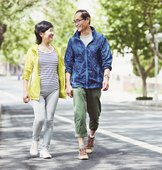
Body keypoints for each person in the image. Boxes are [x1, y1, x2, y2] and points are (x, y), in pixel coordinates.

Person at [64, 10, 112, 160]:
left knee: (95, 115)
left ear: (87, 20)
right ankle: (81, 147)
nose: (76, 23)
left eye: (78, 20)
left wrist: (106, 78)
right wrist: (68, 84)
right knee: (79, 113)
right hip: (77, 82)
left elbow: (106, 60)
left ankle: (91, 136)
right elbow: (68, 64)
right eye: (74, 21)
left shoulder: (100, 39)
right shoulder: (73, 41)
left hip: (95, 82)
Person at [22, 21, 66, 159]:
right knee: (40, 118)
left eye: (52, 30)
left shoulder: (57, 50)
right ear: (41, 34)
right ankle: (35, 141)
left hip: (53, 89)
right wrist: (25, 91)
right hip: (37, 91)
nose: (52, 33)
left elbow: (61, 70)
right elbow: (26, 72)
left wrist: (65, 86)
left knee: (50, 120)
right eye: (49, 31)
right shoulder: (33, 50)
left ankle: (45, 149)